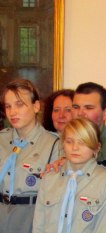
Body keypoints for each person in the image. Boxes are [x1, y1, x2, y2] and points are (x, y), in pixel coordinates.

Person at [33, 118, 106, 233]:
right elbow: (39, 223)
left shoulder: (104, 179)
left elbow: (104, 226)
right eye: (69, 141)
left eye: (82, 142)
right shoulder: (49, 177)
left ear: (97, 147)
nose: (75, 148)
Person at [0, 79, 60, 233]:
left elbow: (55, 197)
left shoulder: (54, 144)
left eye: (19, 104)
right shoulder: (1, 139)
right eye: (8, 106)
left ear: (36, 106)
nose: (12, 112)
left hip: (31, 219)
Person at [72, 82, 106, 162]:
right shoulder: (63, 142)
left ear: (105, 113)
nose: (80, 113)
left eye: (88, 108)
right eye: (76, 107)